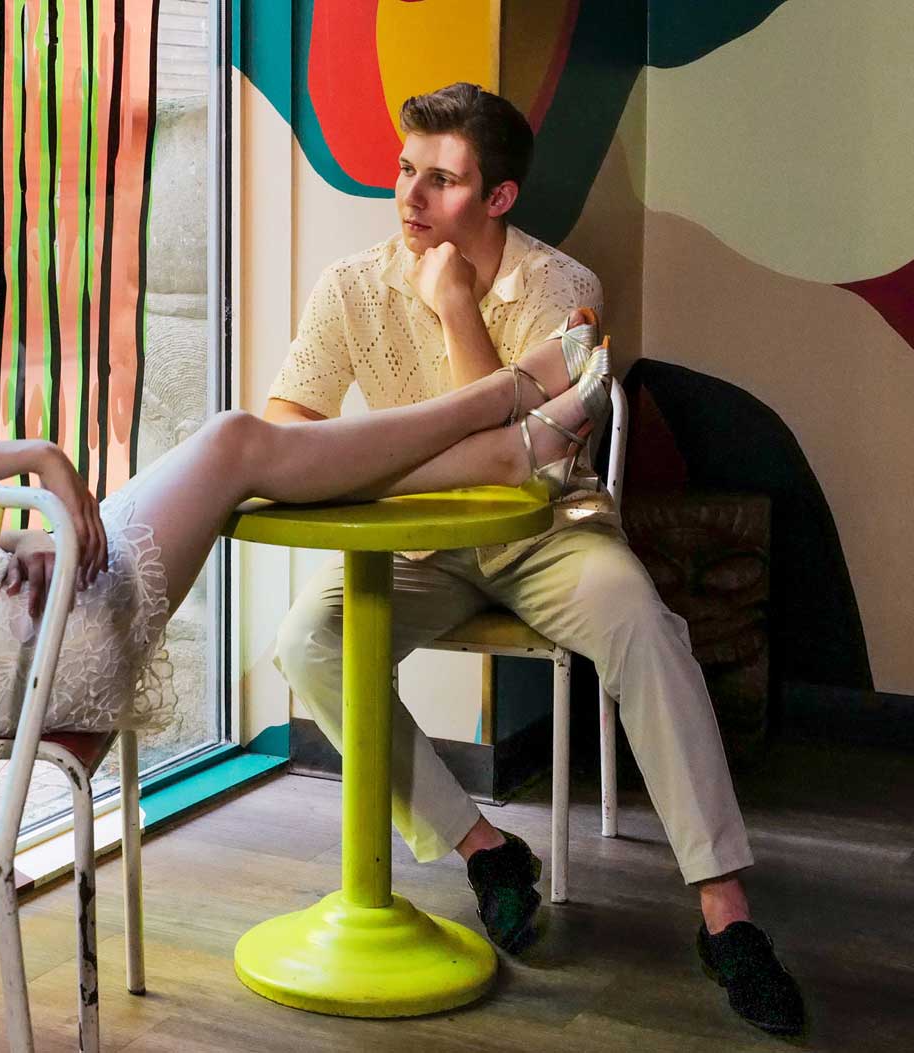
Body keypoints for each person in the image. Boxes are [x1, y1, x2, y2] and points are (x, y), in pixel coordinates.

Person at [0, 155, 609, 751]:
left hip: (6, 606)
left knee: (242, 459)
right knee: (235, 444)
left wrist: (24, 539)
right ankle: (500, 404)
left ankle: (501, 448)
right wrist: (37, 456)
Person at [266, 83, 804, 1036]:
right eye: (406, 169)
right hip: (420, 542)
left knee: (647, 629)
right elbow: (286, 421)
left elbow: (507, 457)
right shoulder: (351, 285)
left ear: (500, 197)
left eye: (441, 180)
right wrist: (393, 467)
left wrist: (454, 306)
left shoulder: (566, 289)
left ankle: (727, 914)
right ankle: (486, 850)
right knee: (308, 639)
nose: (410, 196)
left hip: (550, 533)